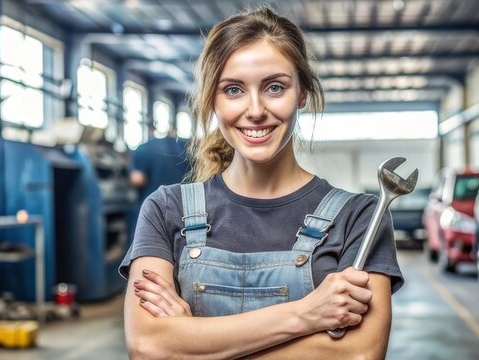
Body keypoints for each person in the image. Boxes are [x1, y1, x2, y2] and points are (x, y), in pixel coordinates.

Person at [119, 7, 403, 359]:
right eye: (234, 89)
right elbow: (148, 346)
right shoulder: (165, 209)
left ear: (302, 93)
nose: (255, 110)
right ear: (212, 100)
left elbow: (358, 354)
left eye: (274, 87)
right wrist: (307, 314)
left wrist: (194, 341)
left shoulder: (360, 218)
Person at [128, 120, 189, 205]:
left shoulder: (144, 149)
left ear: (150, 130)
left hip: (153, 206)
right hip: (184, 204)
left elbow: (137, 179)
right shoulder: (186, 148)